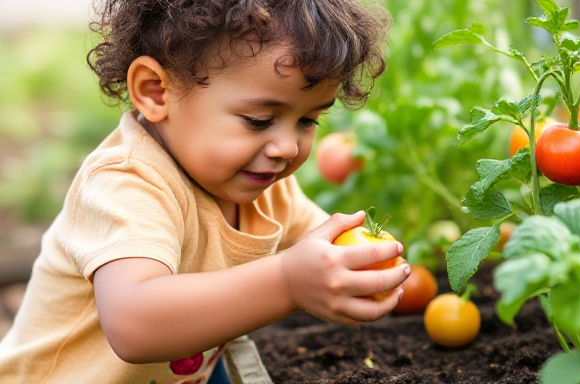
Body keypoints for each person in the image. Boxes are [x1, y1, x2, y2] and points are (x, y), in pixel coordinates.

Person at [0, 1, 410, 383]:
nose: (286, 147)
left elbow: (326, 247)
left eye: (308, 121)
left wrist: (368, 268)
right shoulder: (125, 182)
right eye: (258, 119)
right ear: (156, 91)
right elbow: (134, 324)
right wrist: (288, 283)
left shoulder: (265, 188)